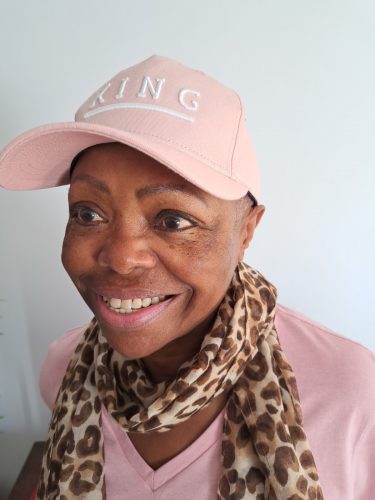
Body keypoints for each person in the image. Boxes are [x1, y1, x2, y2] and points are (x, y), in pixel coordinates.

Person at [0, 55, 373, 500]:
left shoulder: (349, 393)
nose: (120, 258)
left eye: (173, 220)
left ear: (246, 231)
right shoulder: (62, 369)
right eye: (87, 212)